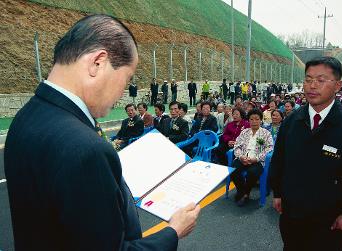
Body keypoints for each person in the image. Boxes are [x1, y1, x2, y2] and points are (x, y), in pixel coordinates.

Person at [4, 14, 200, 251]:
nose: (123, 93)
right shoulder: (84, 149)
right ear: (98, 63)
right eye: (126, 79)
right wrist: (173, 231)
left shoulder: (27, 117)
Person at [269, 56, 342, 251]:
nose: (312, 86)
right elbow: (279, 160)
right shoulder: (292, 121)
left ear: (337, 85)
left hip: (330, 220)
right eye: (308, 79)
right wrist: (278, 193)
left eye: (320, 80)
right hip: (293, 214)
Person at [231, 109, 273, 206]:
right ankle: (242, 192)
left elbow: (269, 148)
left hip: (257, 160)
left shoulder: (266, 133)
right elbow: (237, 145)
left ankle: (245, 193)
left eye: (257, 119)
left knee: (252, 172)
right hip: (243, 158)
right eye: (251, 119)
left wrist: (256, 158)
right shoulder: (244, 132)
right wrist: (241, 157)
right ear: (248, 120)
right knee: (233, 170)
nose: (254, 122)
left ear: (261, 120)